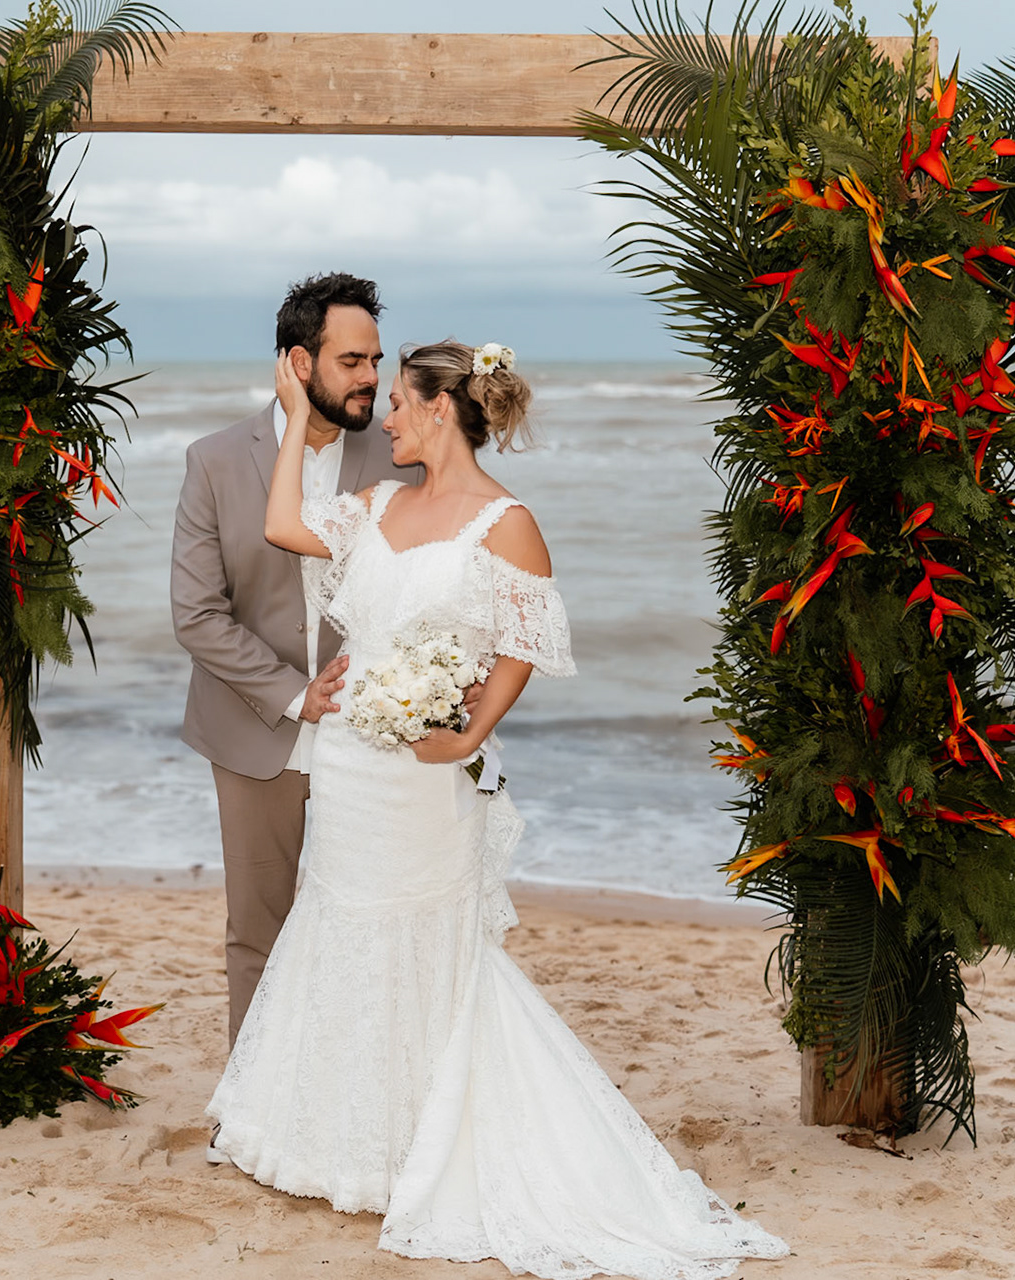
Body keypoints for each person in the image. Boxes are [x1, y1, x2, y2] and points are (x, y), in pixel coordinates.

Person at [205, 339, 789, 1279]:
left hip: (428, 777)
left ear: (441, 409)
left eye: (398, 402)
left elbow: (522, 644)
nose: (385, 417)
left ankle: (430, 1143)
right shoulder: (377, 505)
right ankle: (345, 1142)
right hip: (353, 760)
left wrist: (470, 731)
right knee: (340, 927)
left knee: (427, 942)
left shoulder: (508, 523)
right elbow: (281, 525)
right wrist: (294, 420)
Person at [170, 273, 418, 1052]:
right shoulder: (213, 461)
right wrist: (293, 695)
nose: (372, 378)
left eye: (375, 359)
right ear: (299, 364)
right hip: (253, 732)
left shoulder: (404, 455)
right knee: (259, 929)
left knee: (372, 924)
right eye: (352, 361)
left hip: (373, 733)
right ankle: (250, 1105)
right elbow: (197, 614)